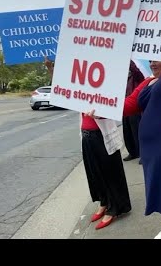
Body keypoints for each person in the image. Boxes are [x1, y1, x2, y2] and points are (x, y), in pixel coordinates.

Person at [86, 0, 161, 239]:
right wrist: (99, 108)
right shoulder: (148, 81)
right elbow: (128, 105)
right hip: (153, 149)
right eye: (151, 57)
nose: (155, 61)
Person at [44, 56, 132, 230]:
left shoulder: (107, 84)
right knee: (95, 174)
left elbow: (116, 107)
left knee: (110, 174)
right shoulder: (81, 88)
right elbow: (64, 88)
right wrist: (51, 70)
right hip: (87, 137)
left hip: (103, 137)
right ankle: (104, 202)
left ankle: (115, 208)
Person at [122, 60, 145, 163]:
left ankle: (142, 154)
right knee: (127, 132)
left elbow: (135, 69)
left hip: (133, 107)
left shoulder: (136, 76)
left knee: (136, 131)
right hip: (124, 105)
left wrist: (128, 58)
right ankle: (132, 152)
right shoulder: (123, 79)